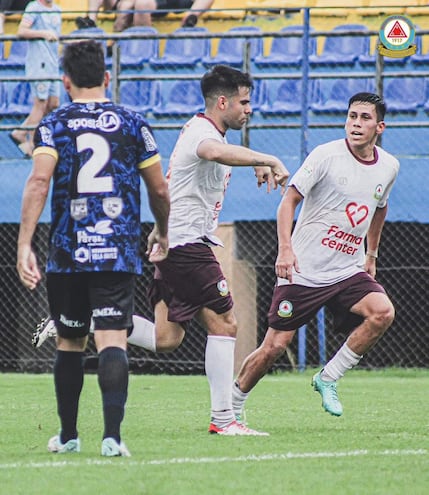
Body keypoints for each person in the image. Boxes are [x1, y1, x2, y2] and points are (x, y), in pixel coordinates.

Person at [34, 64, 289, 436]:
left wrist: (159, 229)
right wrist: (269, 158)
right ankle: (224, 419)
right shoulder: (203, 133)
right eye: (244, 102)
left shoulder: (201, 127)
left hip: (176, 242)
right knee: (226, 323)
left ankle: (78, 319)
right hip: (187, 246)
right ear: (223, 101)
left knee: (166, 338)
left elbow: (179, 181)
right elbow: (213, 151)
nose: (249, 109)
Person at [16, 40, 170, 456]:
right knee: (112, 340)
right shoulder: (134, 123)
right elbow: (158, 187)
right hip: (117, 249)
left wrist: (24, 244)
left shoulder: (53, 124)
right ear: (107, 77)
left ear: (65, 82)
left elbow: (38, 182)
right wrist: (161, 230)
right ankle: (112, 439)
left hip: (68, 252)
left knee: (69, 341)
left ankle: (68, 436)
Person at [231, 92, 399, 424]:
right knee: (275, 347)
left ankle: (329, 377)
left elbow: (380, 208)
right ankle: (229, 408)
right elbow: (288, 202)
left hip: (347, 269)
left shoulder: (389, 166)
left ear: (379, 126)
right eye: (352, 116)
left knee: (382, 313)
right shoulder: (325, 155)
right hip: (303, 271)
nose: (356, 124)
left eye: (365, 118)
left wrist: (371, 255)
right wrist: (285, 249)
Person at [9, 0, 61, 157]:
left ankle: (19, 132)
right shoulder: (34, 7)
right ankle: (33, 144)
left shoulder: (57, 10)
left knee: (53, 103)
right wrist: (43, 34)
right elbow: (22, 31)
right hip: (39, 63)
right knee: (40, 104)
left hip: (53, 63)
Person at [133, 0, 214, 28]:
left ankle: (189, 19)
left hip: (180, 2)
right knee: (141, 4)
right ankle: (144, 46)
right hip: (158, 3)